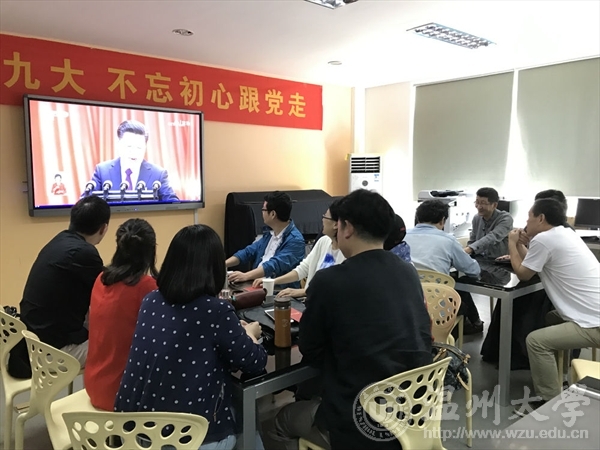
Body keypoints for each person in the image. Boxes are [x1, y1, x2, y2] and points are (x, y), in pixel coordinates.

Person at [273, 189, 432, 450]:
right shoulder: (408, 272)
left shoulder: (329, 281)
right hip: (412, 412)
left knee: (279, 422)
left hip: (357, 421)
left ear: (346, 228)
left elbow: (310, 348)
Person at [114, 224, 267, 449]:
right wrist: (250, 334)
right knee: (245, 409)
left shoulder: (150, 301)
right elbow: (255, 361)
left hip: (132, 435)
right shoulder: (215, 311)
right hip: (186, 439)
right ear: (214, 268)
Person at [508, 198, 600, 415]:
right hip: (592, 313)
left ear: (541, 218)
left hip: (593, 322)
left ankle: (548, 402)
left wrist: (511, 243)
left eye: (529, 218)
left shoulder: (544, 239)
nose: (526, 223)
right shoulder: (565, 233)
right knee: (551, 317)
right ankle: (560, 376)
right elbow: (533, 266)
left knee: (536, 341)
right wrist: (522, 245)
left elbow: (523, 274)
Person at [8, 196, 110, 378]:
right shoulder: (85, 253)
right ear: (104, 228)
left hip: (32, 342)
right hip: (52, 352)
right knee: (123, 342)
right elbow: (109, 292)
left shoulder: (59, 241)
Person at [84, 218, 158, 411]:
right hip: (121, 394)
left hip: (94, 384)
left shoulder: (101, 278)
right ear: (151, 251)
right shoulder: (146, 286)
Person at [404, 200, 483, 334]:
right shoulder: (448, 240)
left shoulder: (402, 236)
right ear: (442, 220)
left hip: (406, 303)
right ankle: (455, 335)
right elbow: (473, 270)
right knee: (459, 293)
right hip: (438, 307)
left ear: (418, 217)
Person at [252, 201, 345, 298]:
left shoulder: (346, 253)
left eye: (325, 216)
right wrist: (273, 281)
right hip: (311, 300)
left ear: (336, 224)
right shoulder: (323, 241)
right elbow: (303, 269)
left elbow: (333, 289)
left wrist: (304, 292)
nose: (322, 220)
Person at [226, 191, 305, 286]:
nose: (262, 213)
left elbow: (274, 265)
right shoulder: (270, 233)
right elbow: (248, 252)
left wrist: (246, 276)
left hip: (277, 289)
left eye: (263, 209)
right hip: (256, 284)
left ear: (273, 214)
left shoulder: (296, 240)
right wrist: (223, 264)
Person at [87, 120, 179, 201]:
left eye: (139, 148)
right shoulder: (102, 171)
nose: (134, 152)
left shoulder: (158, 174)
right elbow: (86, 203)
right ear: (119, 145)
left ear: (145, 147)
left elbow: (173, 203)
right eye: (129, 147)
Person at [464, 187, 513, 259]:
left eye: (483, 203)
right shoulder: (476, 218)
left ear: (494, 205)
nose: (479, 206)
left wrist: (470, 249)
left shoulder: (505, 218)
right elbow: (472, 240)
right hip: (479, 259)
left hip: (498, 261)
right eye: (477, 202)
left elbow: (493, 237)